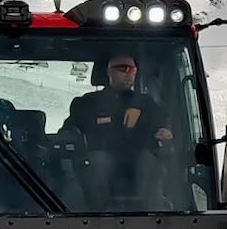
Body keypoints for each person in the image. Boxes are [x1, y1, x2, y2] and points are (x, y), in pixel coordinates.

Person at [64, 52, 173, 210]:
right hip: (100, 159)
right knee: (99, 162)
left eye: (132, 70)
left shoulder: (147, 103)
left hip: (138, 160)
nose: (128, 74)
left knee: (150, 163)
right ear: (109, 71)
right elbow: (70, 129)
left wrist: (165, 132)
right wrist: (69, 136)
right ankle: (98, 216)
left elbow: (162, 125)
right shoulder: (87, 103)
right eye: (122, 69)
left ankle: (154, 216)